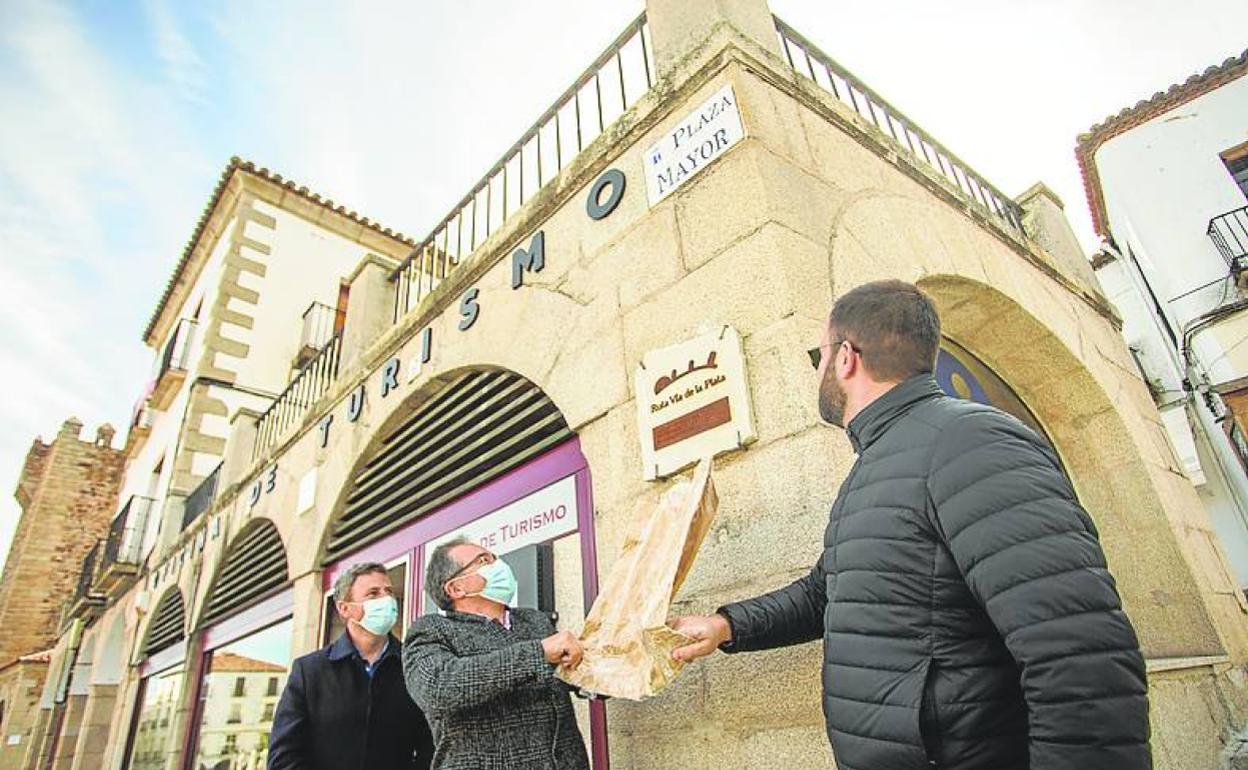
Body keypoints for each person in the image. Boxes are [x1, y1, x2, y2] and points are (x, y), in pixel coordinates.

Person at [669, 280, 1150, 770]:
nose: (820, 372)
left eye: (819, 356)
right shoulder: (877, 466)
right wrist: (726, 626)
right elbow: (827, 592)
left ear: (845, 358)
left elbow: (1080, 658)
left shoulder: (971, 441)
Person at [402, 538, 590, 770]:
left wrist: (596, 675)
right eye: (483, 560)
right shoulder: (432, 629)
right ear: (455, 588)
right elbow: (438, 687)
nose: (497, 564)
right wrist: (537, 654)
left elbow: (566, 675)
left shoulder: (534, 621)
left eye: (494, 558)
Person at [268, 563, 432, 770]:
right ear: (344, 609)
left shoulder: (414, 665)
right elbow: (284, 757)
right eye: (373, 594)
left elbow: (431, 746)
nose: (387, 600)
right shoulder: (310, 672)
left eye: (388, 592)